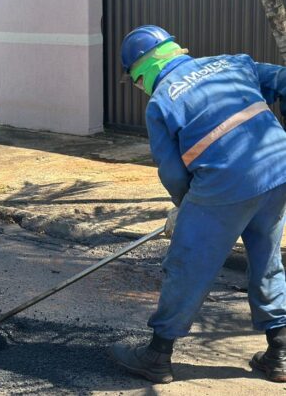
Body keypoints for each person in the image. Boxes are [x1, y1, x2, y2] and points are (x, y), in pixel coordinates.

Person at [109, 25, 286, 384]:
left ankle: (157, 355)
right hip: (277, 169)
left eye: (136, 81)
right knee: (267, 258)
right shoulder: (233, 63)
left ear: (142, 71)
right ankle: (280, 352)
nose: (141, 88)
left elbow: (173, 172)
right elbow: (281, 79)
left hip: (225, 183)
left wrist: (184, 208)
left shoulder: (162, 101)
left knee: (188, 264)